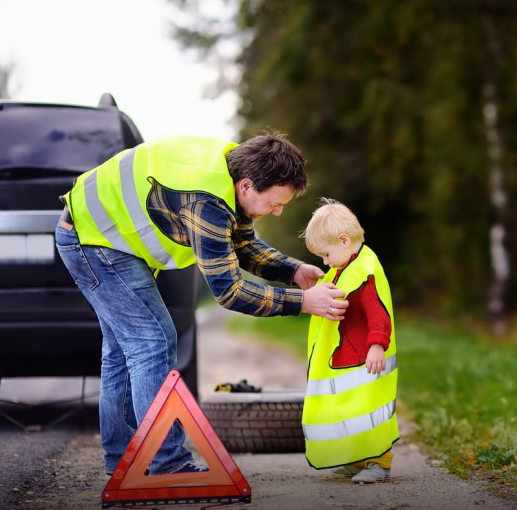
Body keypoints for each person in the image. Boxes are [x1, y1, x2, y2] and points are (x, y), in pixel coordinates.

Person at [55, 133, 349, 476]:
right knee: (152, 340)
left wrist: (293, 270)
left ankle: (124, 460)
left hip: (101, 235)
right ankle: (166, 464)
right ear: (247, 186)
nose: (278, 212)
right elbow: (229, 291)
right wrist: (301, 302)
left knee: (123, 350)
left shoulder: (232, 173)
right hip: (91, 240)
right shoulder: (207, 200)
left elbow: (240, 244)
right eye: (274, 203)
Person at [300, 198, 398, 484]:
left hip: (366, 359)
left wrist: (377, 346)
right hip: (347, 358)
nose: (325, 261)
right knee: (351, 411)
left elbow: (378, 312)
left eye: (326, 255)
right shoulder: (345, 268)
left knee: (371, 411)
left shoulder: (364, 271)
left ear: (344, 240)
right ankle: (356, 460)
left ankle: (380, 462)